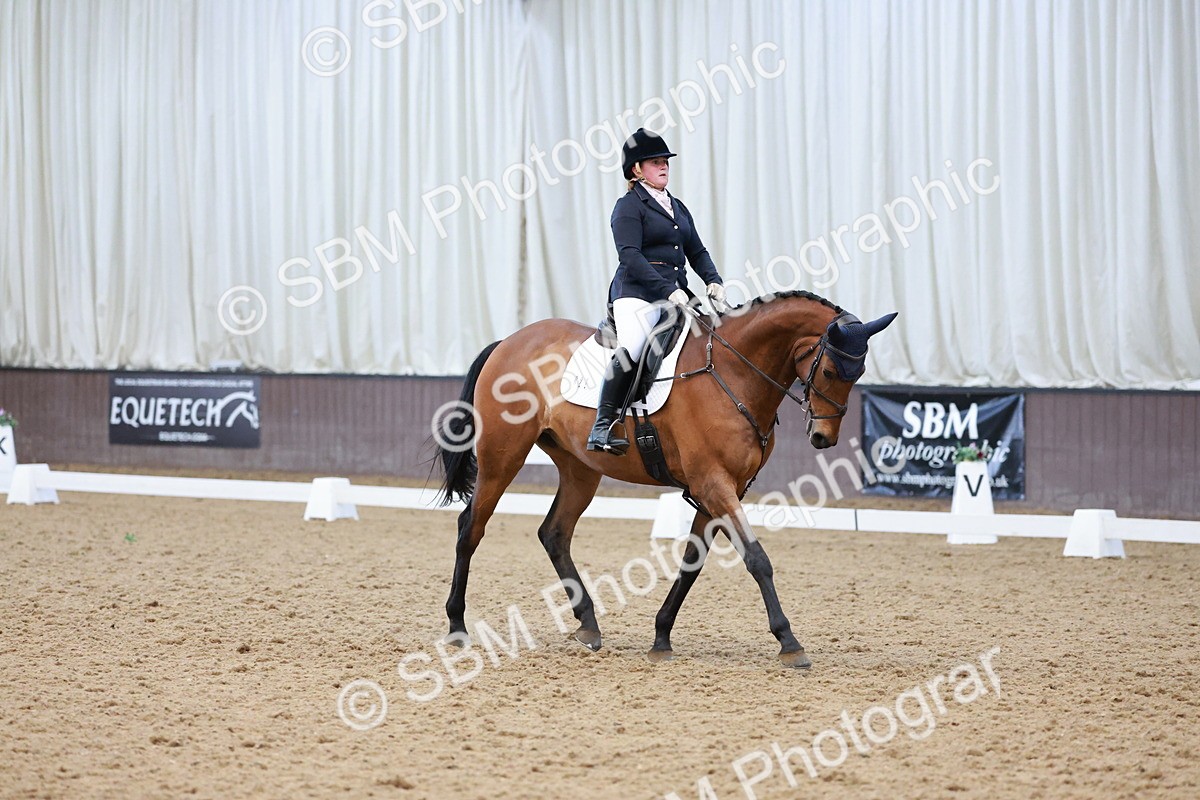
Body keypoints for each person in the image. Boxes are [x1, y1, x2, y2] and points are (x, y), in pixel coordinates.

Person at [586, 128, 727, 454]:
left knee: (709, 337)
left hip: (675, 295)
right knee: (634, 346)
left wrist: (713, 280)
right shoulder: (628, 206)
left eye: (665, 161)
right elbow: (630, 256)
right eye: (655, 162)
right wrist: (668, 289)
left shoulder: (676, 206)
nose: (663, 166)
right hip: (635, 293)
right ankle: (602, 426)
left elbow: (697, 250)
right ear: (636, 169)